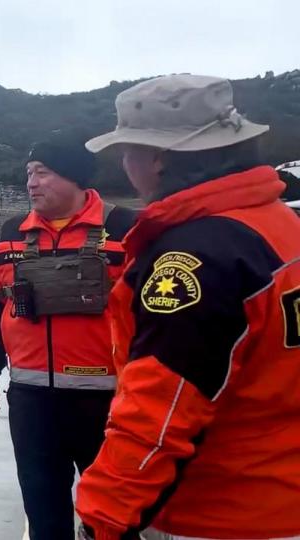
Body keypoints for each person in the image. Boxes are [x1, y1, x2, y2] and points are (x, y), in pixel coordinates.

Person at [75, 74, 300, 540]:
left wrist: (101, 517)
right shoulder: (281, 227)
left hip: (219, 514)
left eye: (127, 151)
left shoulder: (194, 260)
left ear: (158, 158)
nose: (125, 164)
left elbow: (159, 410)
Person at [0, 138, 136, 539]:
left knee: (116, 516)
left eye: (43, 172)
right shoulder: (10, 234)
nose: (32, 182)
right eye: (29, 173)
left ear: (75, 177)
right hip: (32, 403)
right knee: (43, 510)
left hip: (110, 403)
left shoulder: (126, 230)